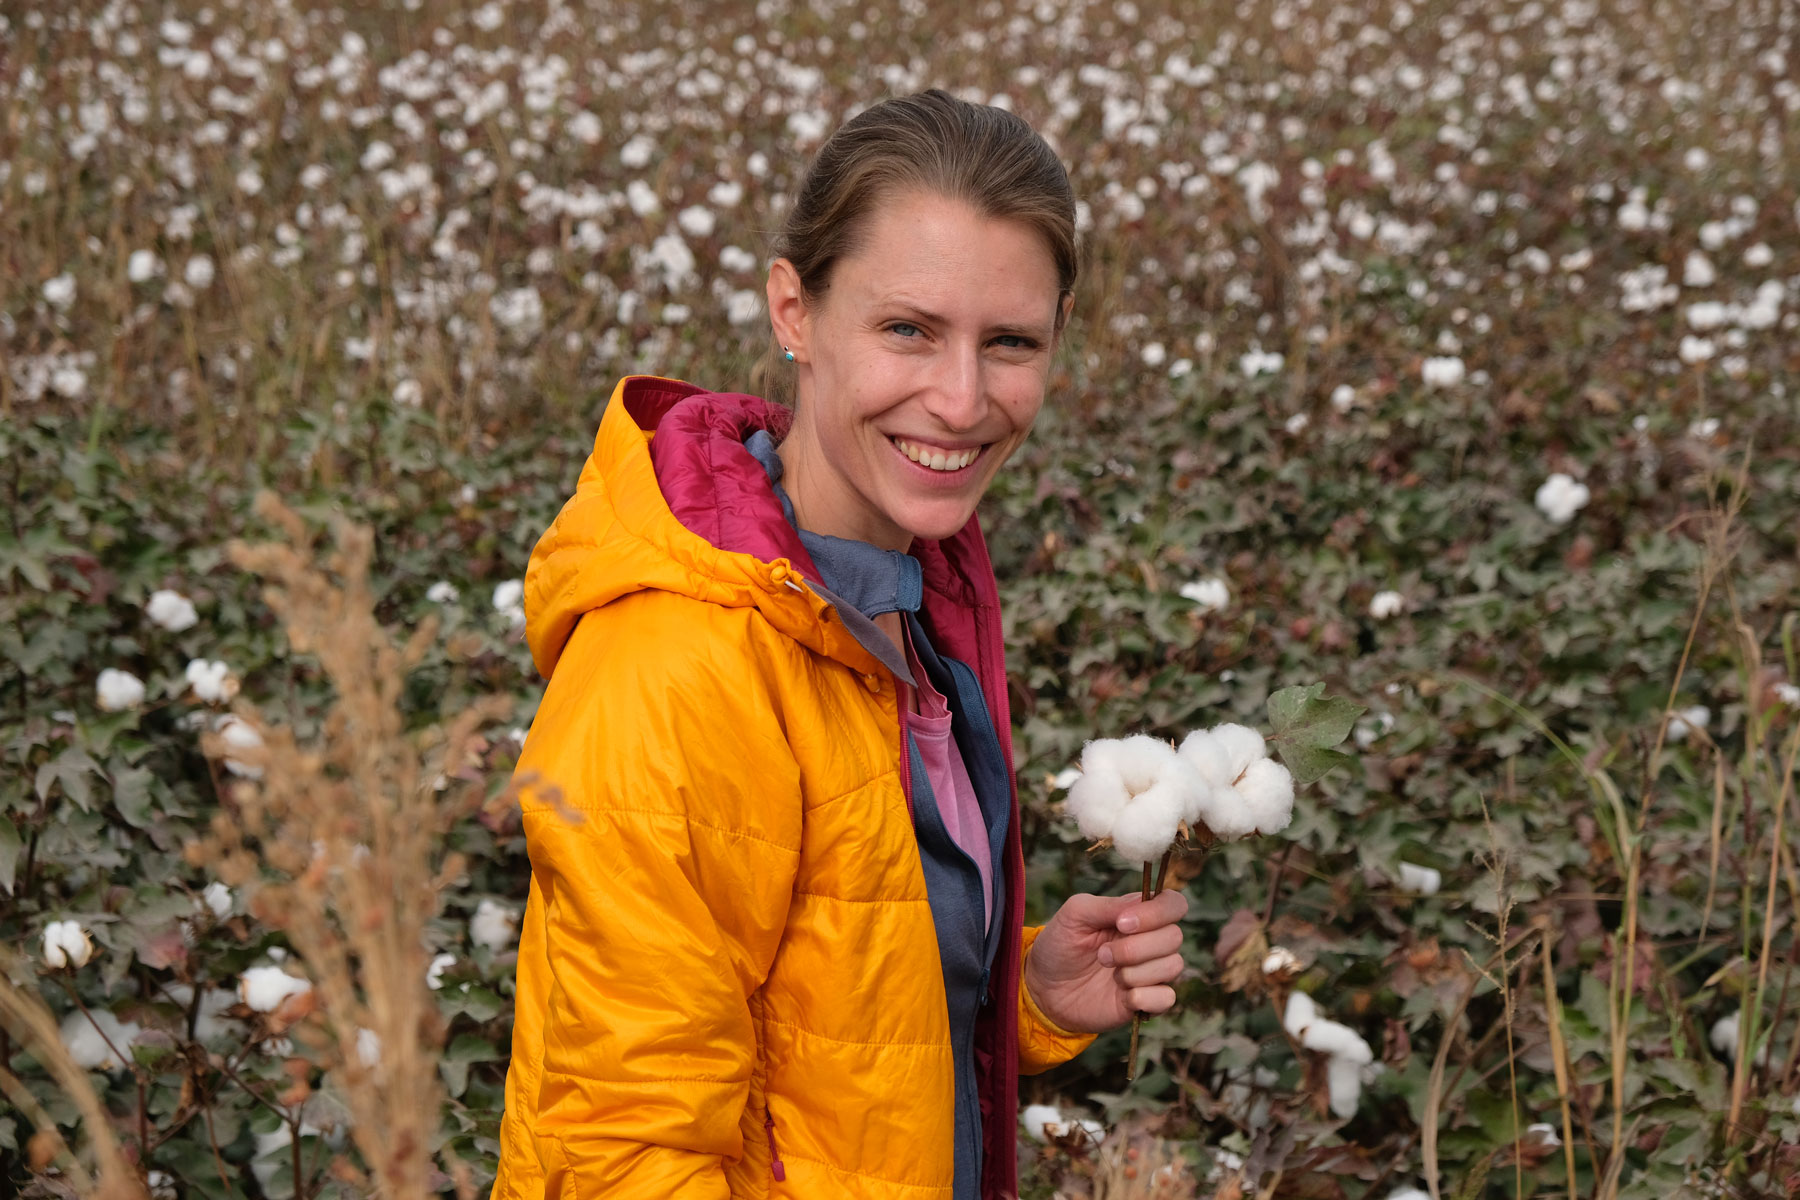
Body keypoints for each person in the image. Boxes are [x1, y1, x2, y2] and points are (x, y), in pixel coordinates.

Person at [491, 90, 1190, 1200]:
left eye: (1008, 343)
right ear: (794, 311)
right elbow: (615, 1157)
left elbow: (827, 1038)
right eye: (908, 329)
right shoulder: (681, 665)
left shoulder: (905, 596)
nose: (961, 401)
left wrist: (1027, 1002)